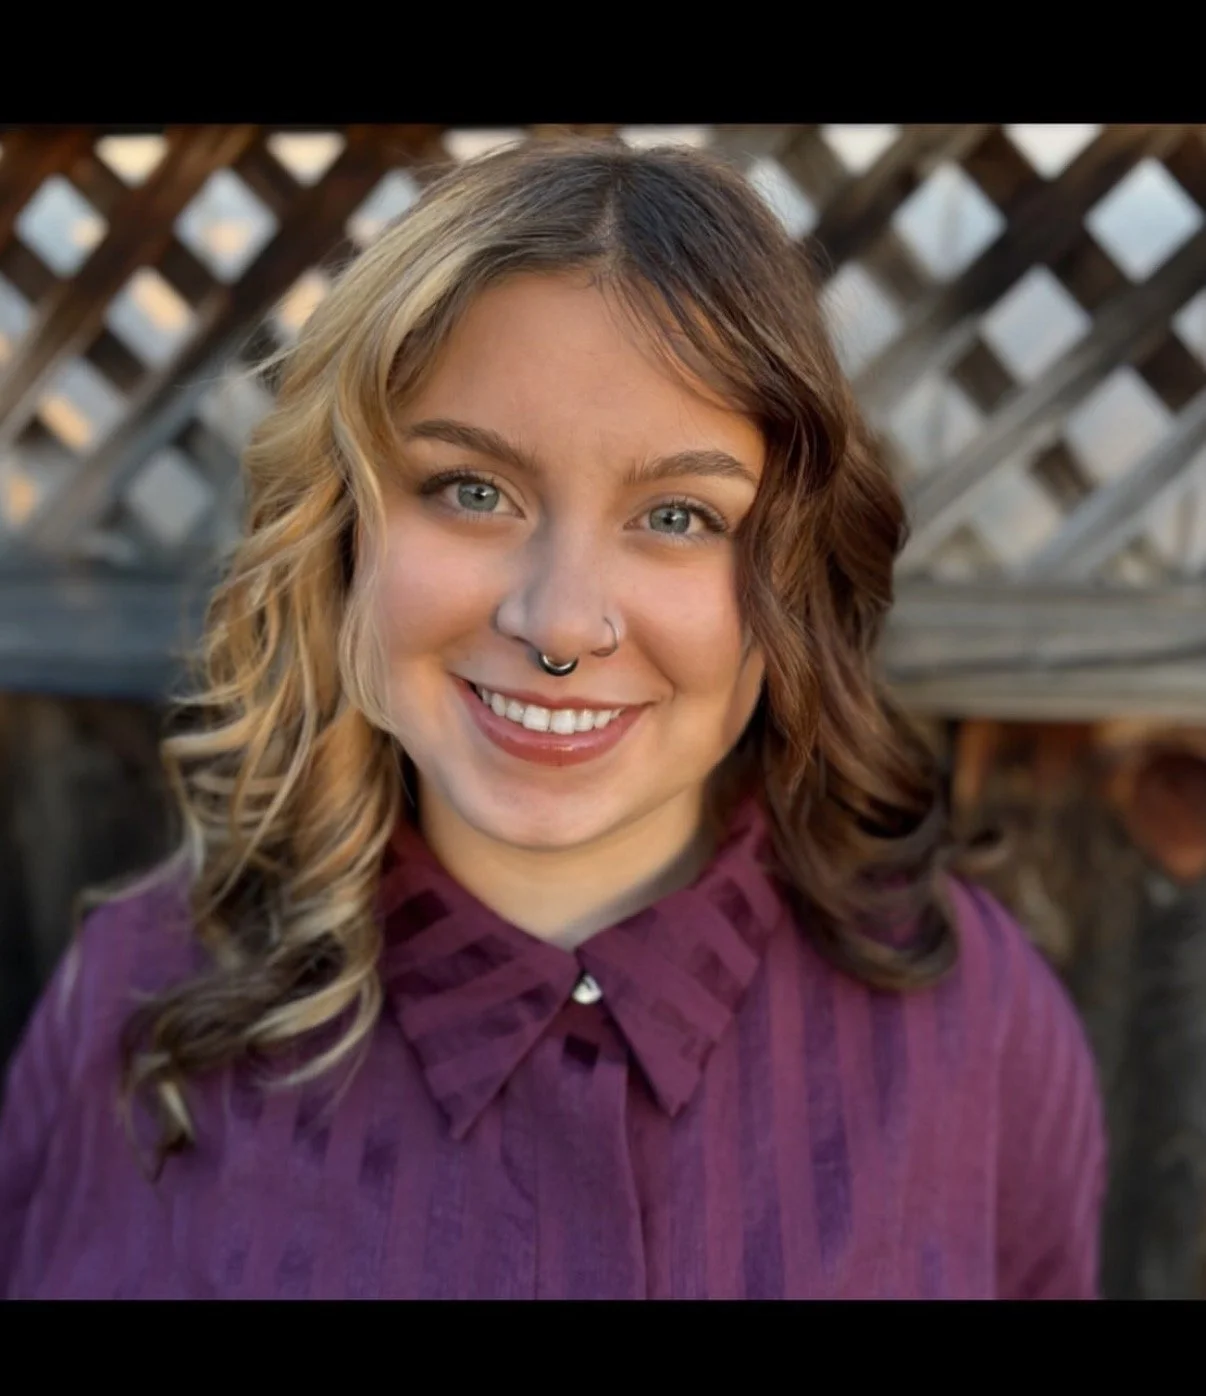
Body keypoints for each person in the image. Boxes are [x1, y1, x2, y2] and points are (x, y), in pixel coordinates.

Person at [0, 135, 1106, 1300]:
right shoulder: (137, 995)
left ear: (799, 577)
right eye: (472, 490)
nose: (561, 623)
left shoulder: (972, 1021)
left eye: (678, 515)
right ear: (342, 533)